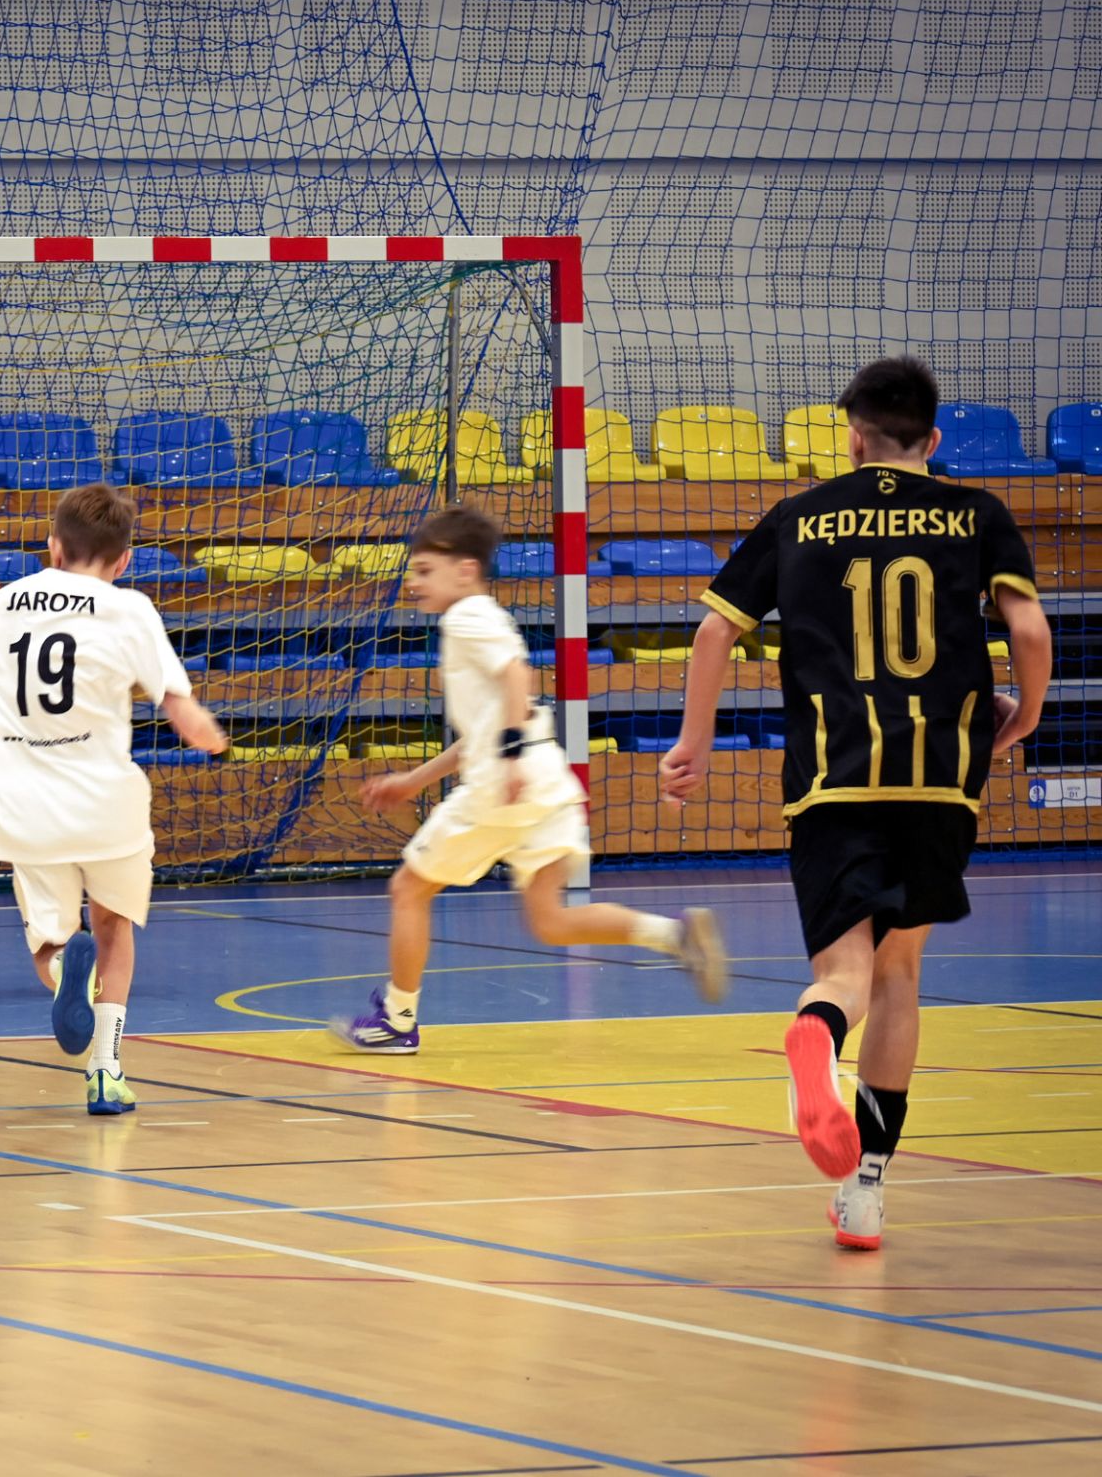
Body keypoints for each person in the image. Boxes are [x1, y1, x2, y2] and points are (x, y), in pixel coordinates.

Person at [660, 357, 1051, 1250]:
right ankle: (865, 1190)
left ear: (853, 438)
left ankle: (817, 1030)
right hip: (938, 777)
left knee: (845, 975)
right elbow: (1028, 628)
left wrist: (693, 744)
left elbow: (715, 630)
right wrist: (1025, 714)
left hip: (832, 778)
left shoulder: (801, 516)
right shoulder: (976, 512)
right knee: (900, 974)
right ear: (933, 439)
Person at [331, 504, 726, 1055]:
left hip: (505, 783)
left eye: (424, 570)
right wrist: (417, 780)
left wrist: (512, 755)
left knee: (408, 888)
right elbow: (483, 730)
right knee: (551, 921)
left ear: (464, 571)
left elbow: (517, 674)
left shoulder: (465, 617)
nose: (413, 582)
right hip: (548, 780)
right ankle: (673, 934)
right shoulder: (484, 617)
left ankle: (397, 1021)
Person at [0, 483, 227, 1116]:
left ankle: (60, 979)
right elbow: (179, 707)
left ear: (53, 547)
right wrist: (210, 736)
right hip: (107, 804)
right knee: (113, 928)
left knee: (51, 941)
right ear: (124, 559)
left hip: (25, 808)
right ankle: (105, 1068)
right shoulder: (128, 608)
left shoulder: (5, 603)